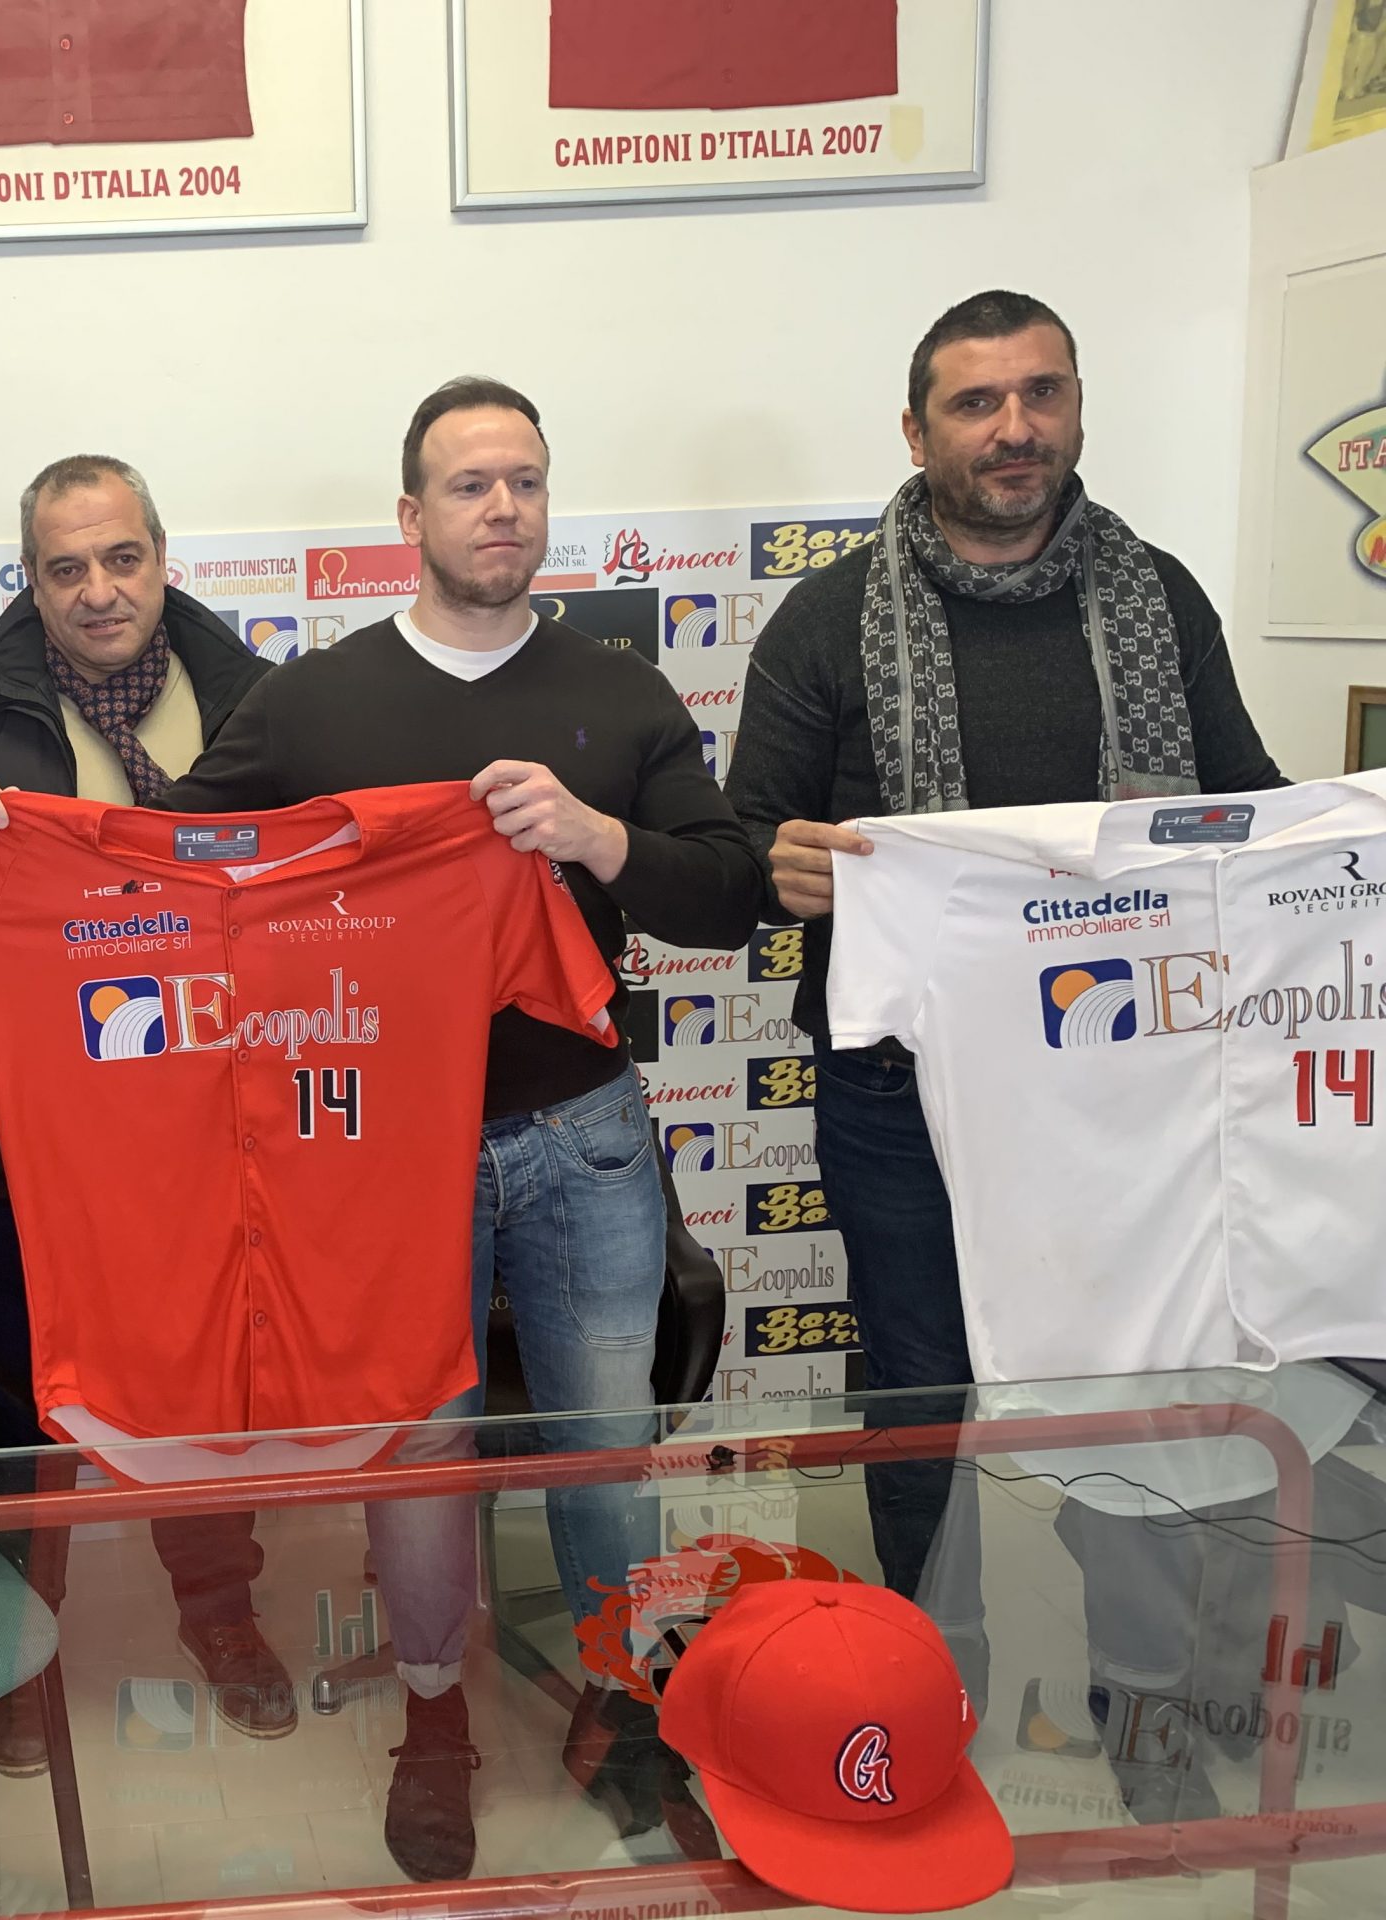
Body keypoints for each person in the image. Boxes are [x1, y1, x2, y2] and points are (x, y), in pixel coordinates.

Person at [0, 381, 765, 1878]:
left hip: (581, 1131)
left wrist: (593, 838)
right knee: (416, 1444)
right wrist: (7, 843)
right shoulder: (313, 702)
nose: (501, 507)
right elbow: (176, 871)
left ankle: (624, 1705)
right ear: (412, 513)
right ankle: (434, 1718)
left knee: (604, 1440)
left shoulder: (620, 694)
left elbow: (727, 891)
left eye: (524, 481)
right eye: (469, 484)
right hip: (374, 1149)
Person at [724, 289, 1286, 1811]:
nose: (1015, 428)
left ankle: (1145, 1699)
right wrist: (779, 866)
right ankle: (930, 1686)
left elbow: (1248, 806)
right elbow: (738, 845)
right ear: (917, 432)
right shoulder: (829, 618)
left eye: (1042, 393)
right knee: (919, 1389)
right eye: (977, 403)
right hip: (898, 1094)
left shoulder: (1159, 598)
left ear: (1078, 409)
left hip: (1124, 1092)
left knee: (1131, 1383)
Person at [0, 454, 287, 1769]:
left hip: (217, 1126)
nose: (98, 591)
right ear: (29, 580)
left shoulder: (261, 704)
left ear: (163, 559)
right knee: (32, 1387)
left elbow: (344, 872)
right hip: (24, 1140)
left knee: (206, 1382)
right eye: (66, 568)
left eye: (120, 559)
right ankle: (17, 1645)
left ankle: (221, 1610)